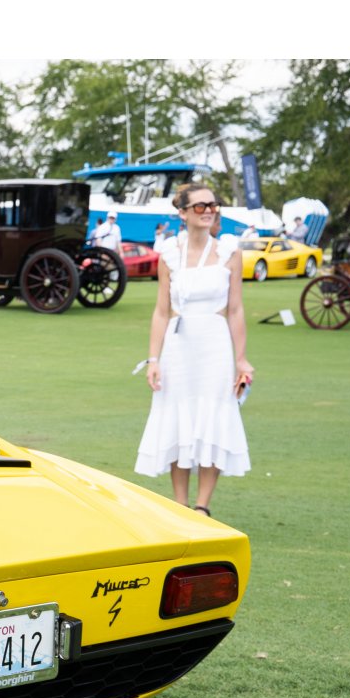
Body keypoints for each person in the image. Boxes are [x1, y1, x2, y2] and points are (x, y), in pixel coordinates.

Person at [135, 183, 254, 517]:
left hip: (214, 343)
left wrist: (241, 358)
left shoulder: (229, 251)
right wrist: (154, 359)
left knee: (213, 415)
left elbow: (236, 309)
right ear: (183, 213)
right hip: (178, 343)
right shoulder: (170, 254)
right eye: (199, 206)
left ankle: (202, 505)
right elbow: (161, 310)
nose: (208, 211)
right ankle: (180, 504)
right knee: (178, 415)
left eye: (212, 205)